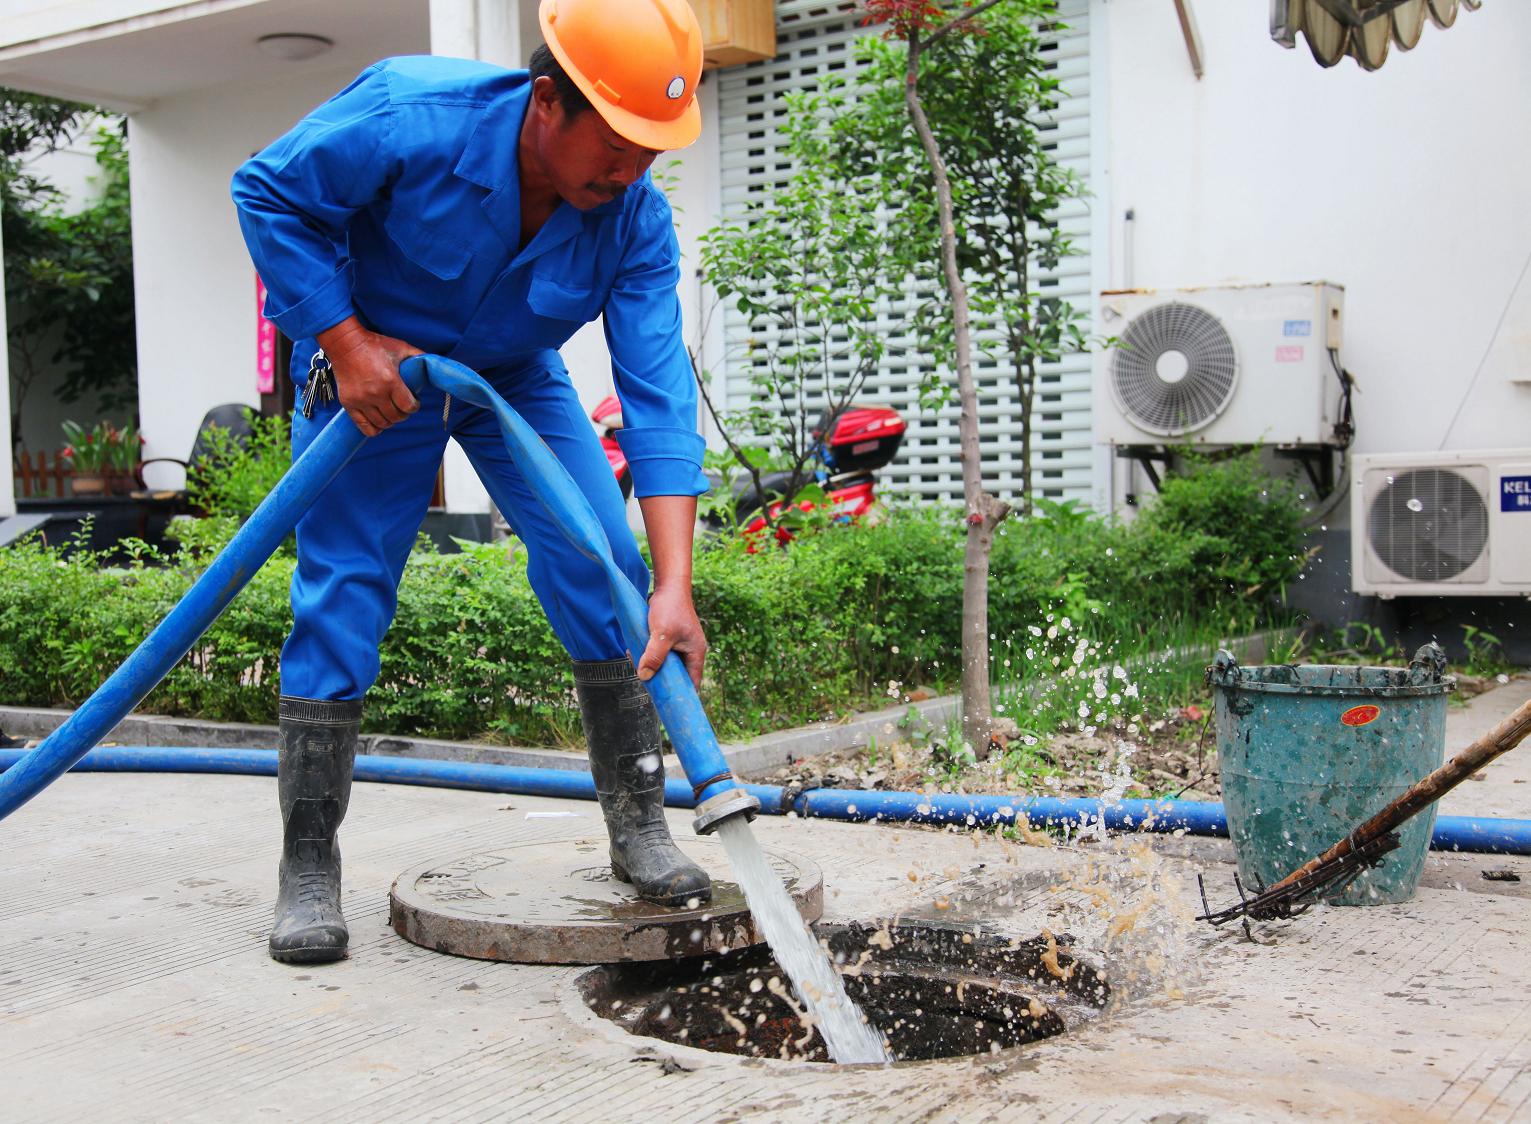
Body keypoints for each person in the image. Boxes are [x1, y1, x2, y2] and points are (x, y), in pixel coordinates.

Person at [231, 0, 713, 965]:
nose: (629, 172)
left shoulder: (634, 219)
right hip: (377, 372)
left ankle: (637, 824)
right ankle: (308, 863)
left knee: (603, 561)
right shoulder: (408, 115)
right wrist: (345, 343)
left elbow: (657, 398)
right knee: (345, 589)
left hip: (513, 378)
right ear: (547, 101)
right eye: (615, 144)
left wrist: (672, 585)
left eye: (650, 153)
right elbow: (267, 193)